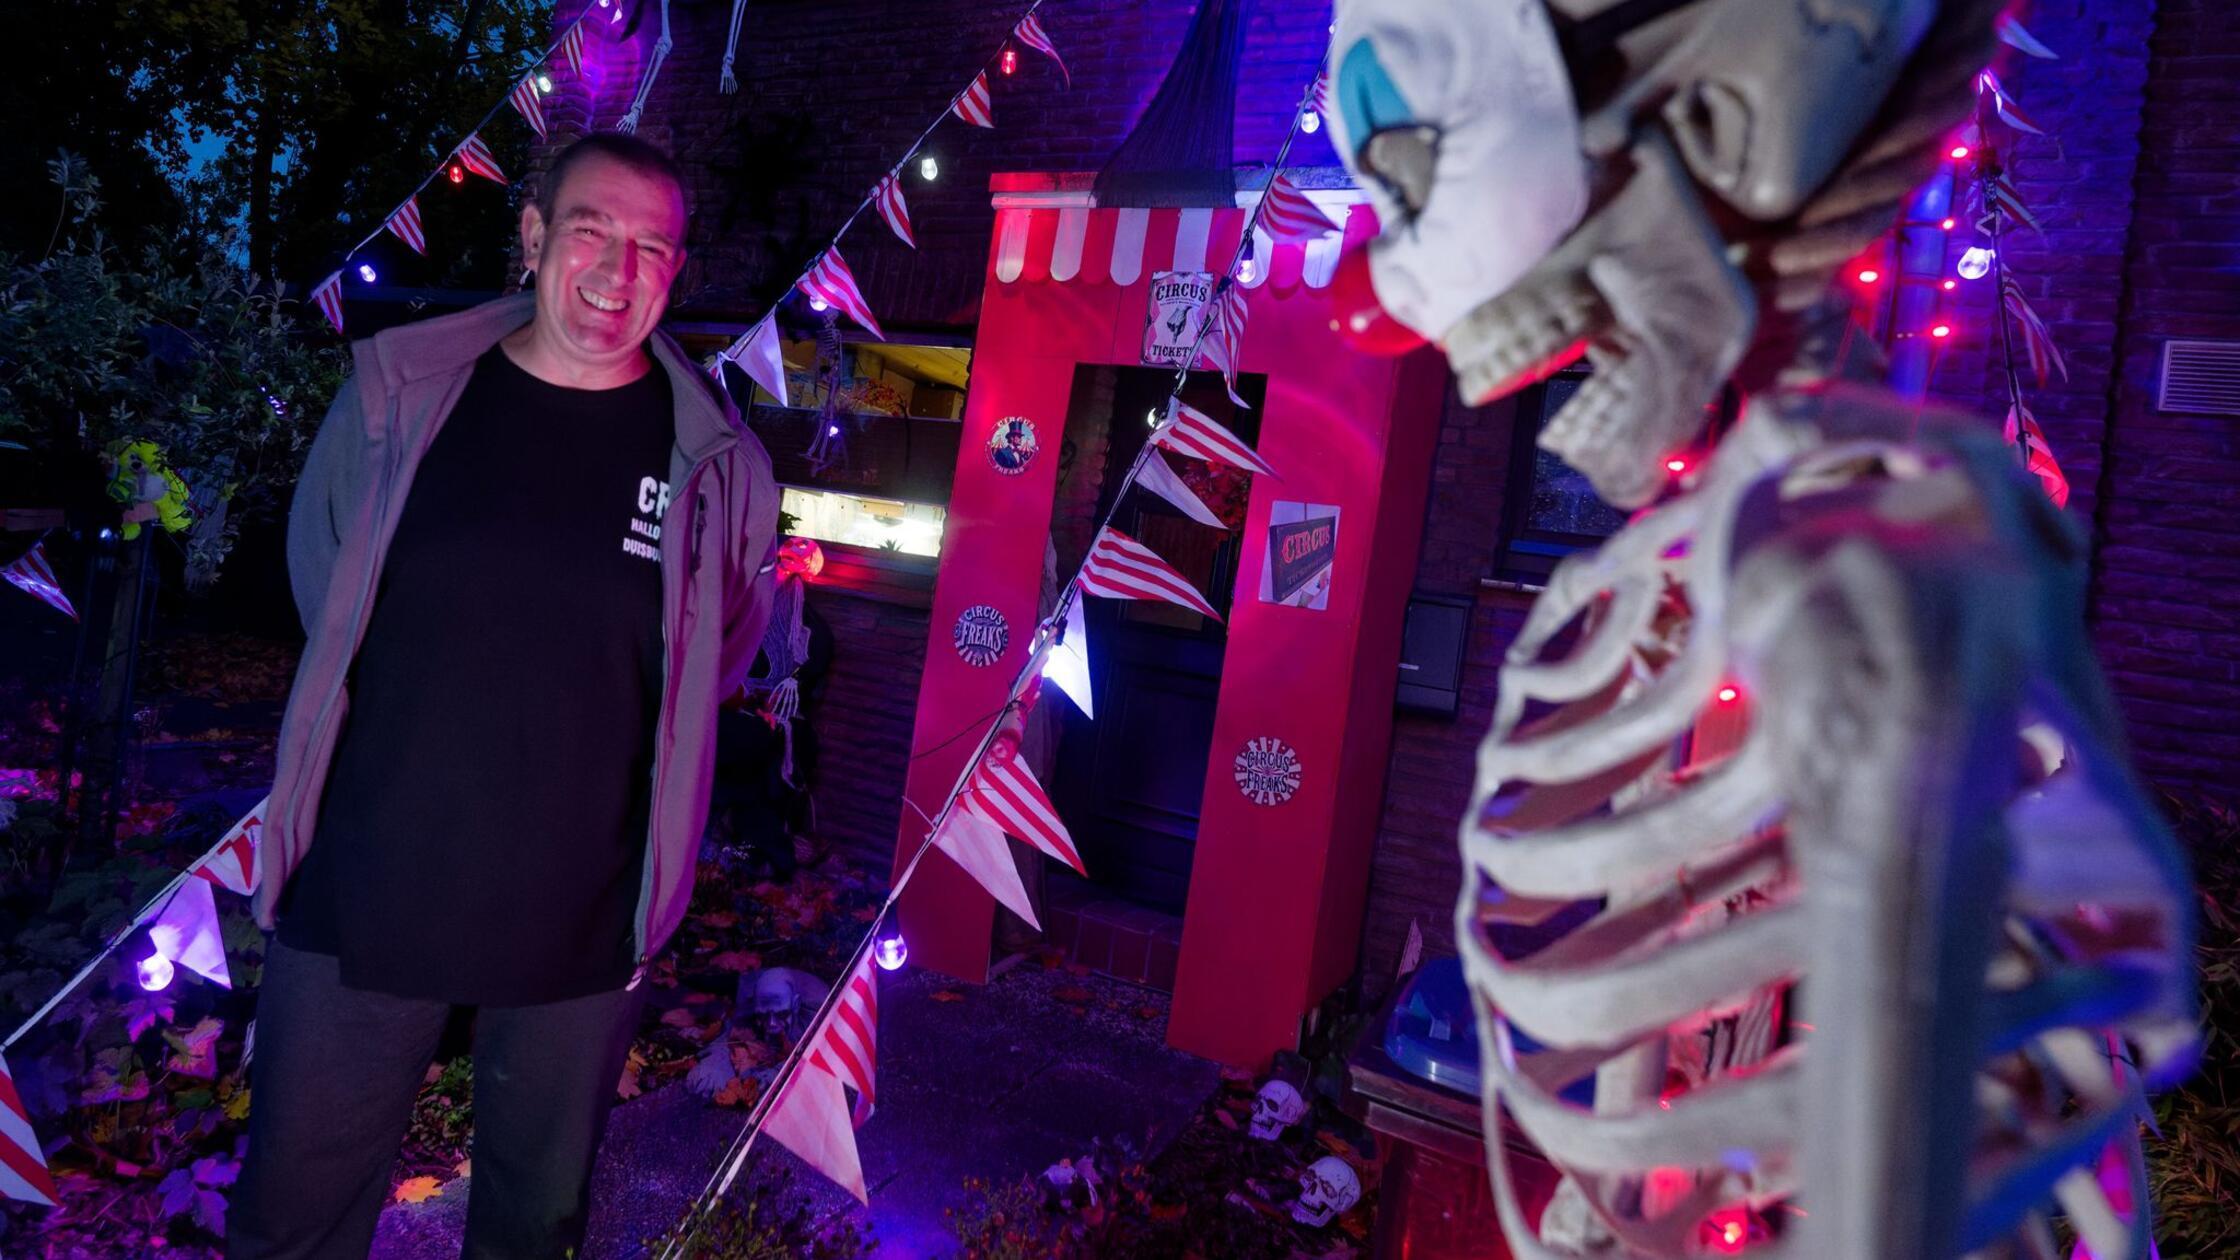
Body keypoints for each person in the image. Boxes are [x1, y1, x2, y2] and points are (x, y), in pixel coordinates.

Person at [229, 134, 782, 1260]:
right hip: (369, 877)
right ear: (532, 235)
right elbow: (325, 580)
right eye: (590, 231)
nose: (618, 272)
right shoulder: (401, 398)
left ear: (675, 272)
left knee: (534, 1228)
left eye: (651, 249)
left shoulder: (717, 465)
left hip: (583, 915)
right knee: (292, 1218)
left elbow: (715, 655)